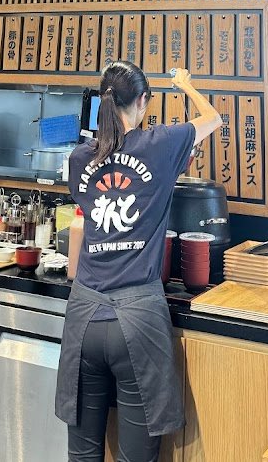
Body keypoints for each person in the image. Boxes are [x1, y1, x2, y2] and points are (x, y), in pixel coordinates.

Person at [56, 60, 221, 462]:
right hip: (138, 321)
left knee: (82, 455)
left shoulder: (79, 158)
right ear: (143, 100)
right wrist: (186, 85)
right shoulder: (159, 145)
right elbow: (213, 119)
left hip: (83, 317)